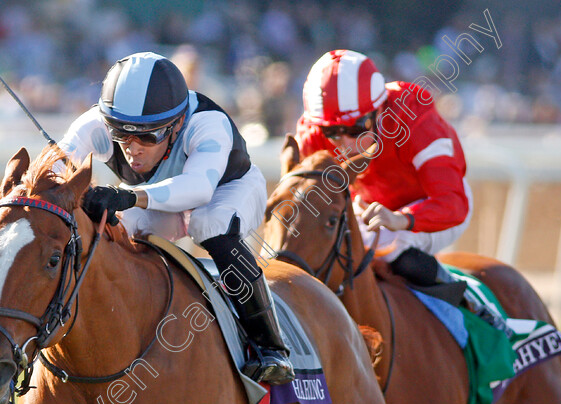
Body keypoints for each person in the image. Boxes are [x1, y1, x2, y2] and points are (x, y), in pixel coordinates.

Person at [57, 52, 294, 384]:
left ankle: (272, 348)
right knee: (115, 231)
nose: (132, 148)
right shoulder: (95, 123)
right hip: (158, 198)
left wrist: (126, 196)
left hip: (227, 190)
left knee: (207, 223)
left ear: (178, 123)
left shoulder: (207, 123)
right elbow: (56, 165)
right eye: (120, 134)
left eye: (147, 136)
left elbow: (198, 188)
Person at [295, 49, 510, 335]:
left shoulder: (416, 119)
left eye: (357, 127)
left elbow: (453, 203)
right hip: (370, 206)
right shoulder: (313, 133)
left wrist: (403, 219)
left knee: (389, 243)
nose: (345, 142)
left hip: (431, 206)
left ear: (379, 108)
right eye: (334, 132)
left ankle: (471, 301)